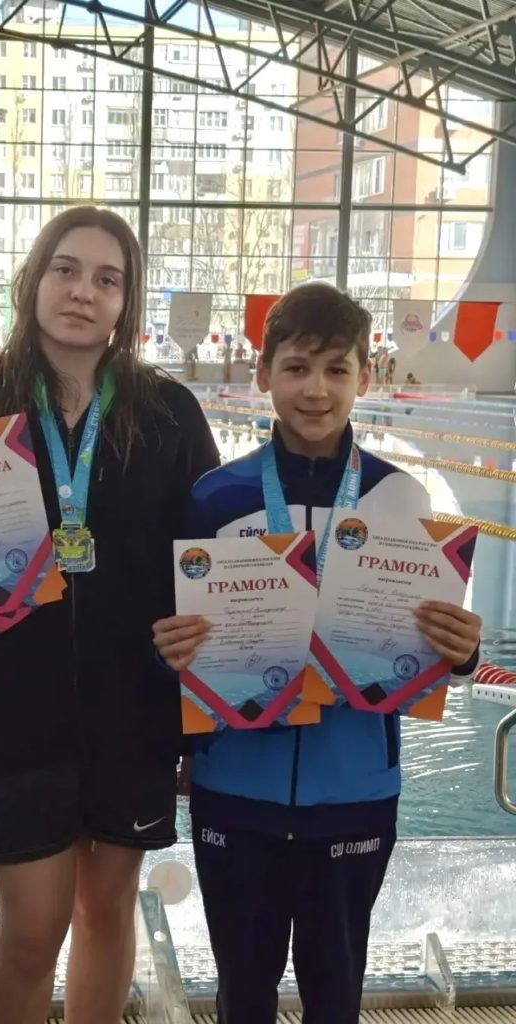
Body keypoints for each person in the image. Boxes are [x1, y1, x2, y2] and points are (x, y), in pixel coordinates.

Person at [0, 206, 219, 1024]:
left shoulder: (168, 414)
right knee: (32, 930)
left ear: (127, 301)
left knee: (107, 911)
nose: (82, 292)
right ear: (33, 281)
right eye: (66, 270)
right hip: (11, 715)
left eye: (107, 279)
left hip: (135, 713)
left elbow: (209, 556)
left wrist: (206, 627)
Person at [152, 281, 481, 1024]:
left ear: (366, 377)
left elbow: (426, 646)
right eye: (297, 368)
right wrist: (166, 654)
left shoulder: (402, 499)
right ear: (263, 373)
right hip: (236, 790)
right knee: (243, 992)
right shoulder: (216, 498)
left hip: (355, 792)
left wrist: (461, 653)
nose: (316, 390)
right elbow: (176, 641)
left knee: (336, 992)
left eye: (337, 370)